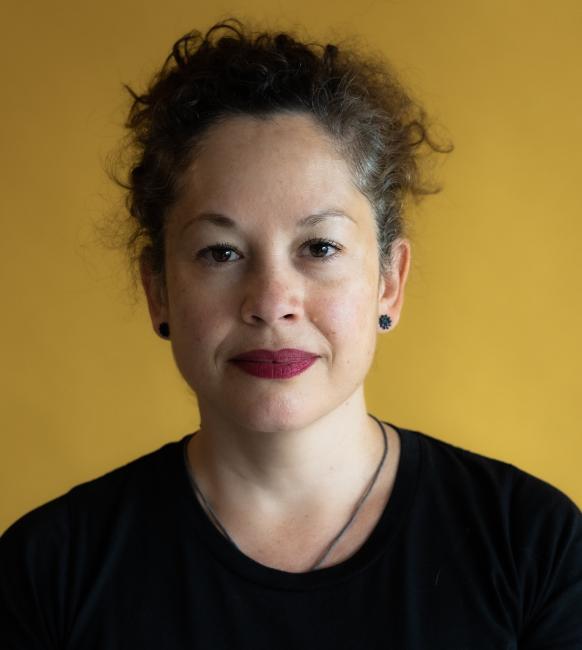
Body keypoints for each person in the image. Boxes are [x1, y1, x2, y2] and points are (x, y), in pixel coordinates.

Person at [1, 17, 581, 650]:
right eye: (220, 253)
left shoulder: (534, 546)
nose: (272, 302)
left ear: (389, 280)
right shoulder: (47, 571)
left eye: (320, 246)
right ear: (158, 290)